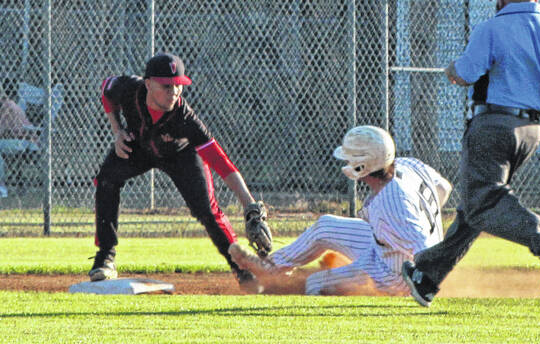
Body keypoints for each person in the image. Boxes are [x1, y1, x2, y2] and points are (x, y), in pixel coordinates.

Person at [402, 0, 540, 307]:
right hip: (530, 132)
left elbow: (465, 73)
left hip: (493, 125)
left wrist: (452, 70)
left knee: (486, 199)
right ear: (536, 0)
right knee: (477, 207)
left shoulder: (492, 27)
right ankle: (428, 276)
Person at [89, 53, 272, 293]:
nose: (174, 91)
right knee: (106, 180)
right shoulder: (128, 89)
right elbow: (106, 91)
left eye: (178, 85)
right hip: (139, 147)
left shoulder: (185, 118)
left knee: (206, 210)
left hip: (181, 155)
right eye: (166, 86)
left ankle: (241, 269)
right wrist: (117, 131)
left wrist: (249, 204)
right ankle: (105, 257)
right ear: (148, 84)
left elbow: (220, 161)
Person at [229, 125, 452, 296]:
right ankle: (270, 267)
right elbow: (443, 188)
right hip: (383, 246)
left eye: (350, 157)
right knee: (325, 226)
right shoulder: (406, 165)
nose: (346, 160)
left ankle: (275, 287)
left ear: (363, 165)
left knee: (316, 283)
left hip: (394, 274)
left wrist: (419, 281)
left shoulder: (392, 203)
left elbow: (426, 247)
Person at [0, 84, 38, 198]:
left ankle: (1, 186)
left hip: (23, 142)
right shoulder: (8, 104)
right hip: (20, 141)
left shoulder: (6, 107)